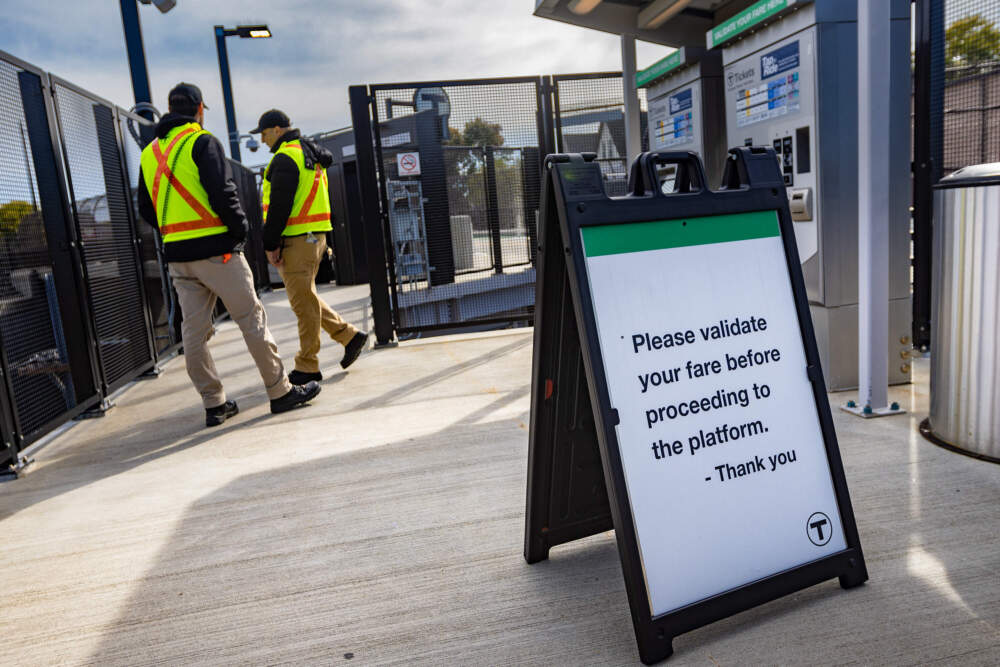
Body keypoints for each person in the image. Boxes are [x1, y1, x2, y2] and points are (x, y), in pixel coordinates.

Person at [137, 84, 320, 427]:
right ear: (199, 109)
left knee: (193, 333)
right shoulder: (201, 142)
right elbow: (224, 192)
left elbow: (146, 209)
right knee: (251, 320)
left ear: (170, 108)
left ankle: (214, 404)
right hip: (218, 252)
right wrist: (239, 232)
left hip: (178, 257)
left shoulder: (150, 154)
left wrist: (177, 231)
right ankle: (279, 392)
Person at [250, 109, 368, 384]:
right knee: (307, 297)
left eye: (265, 134)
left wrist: (271, 243)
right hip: (315, 237)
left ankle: (307, 365)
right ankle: (349, 336)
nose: (264, 140)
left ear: (277, 130)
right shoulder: (309, 154)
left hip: (296, 240)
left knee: (303, 305)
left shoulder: (285, 158)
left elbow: (280, 206)